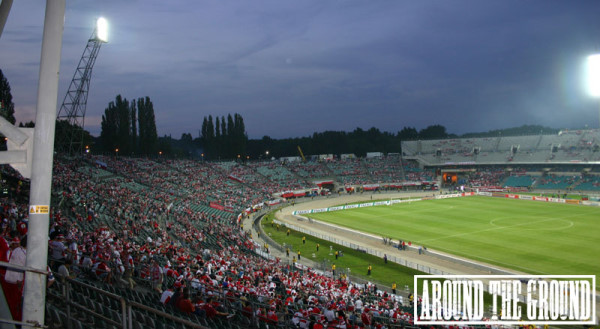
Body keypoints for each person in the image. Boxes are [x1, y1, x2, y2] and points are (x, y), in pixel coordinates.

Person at [5, 236, 26, 321]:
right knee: (15, 306)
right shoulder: (21, 252)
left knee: (11, 304)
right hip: (16, 282)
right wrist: (20, 281)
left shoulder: (17, 250)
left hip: (10, 280)